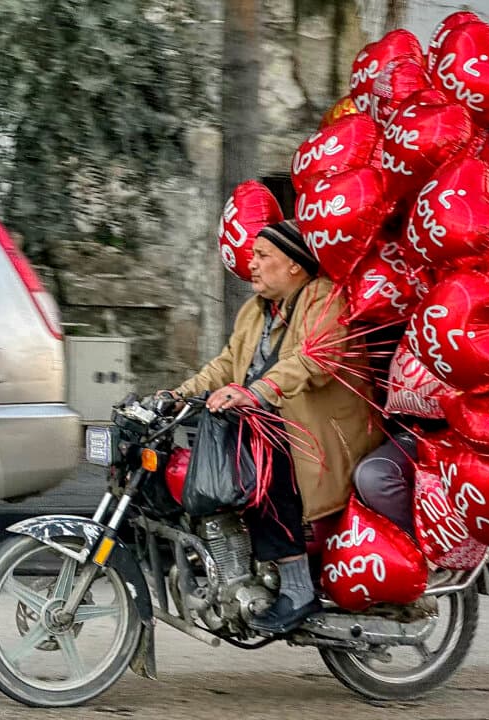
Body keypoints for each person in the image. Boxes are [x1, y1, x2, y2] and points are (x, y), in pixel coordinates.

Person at [165, 220, 384, 634]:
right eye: (254, 255)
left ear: (295, 266)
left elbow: (314, 361)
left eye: (264, 256)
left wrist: (256, 392)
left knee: (262, 471)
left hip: (324, 437)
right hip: (278, 424)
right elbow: (227, 365)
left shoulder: (323, 300)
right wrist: (176, 395)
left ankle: (298, 589)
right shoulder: (255, 310)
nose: (253, 263)